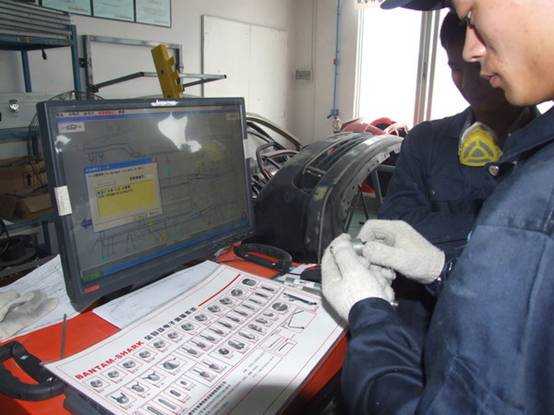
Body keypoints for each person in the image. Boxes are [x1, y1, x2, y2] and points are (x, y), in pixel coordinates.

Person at [322, 0, 554, 413]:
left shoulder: (540, 170)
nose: (470, 60)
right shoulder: (428, 139)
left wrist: (368, 311)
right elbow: (399, 219)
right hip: (421, 325)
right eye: (453, 66)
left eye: (472, 15)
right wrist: (445, 266)